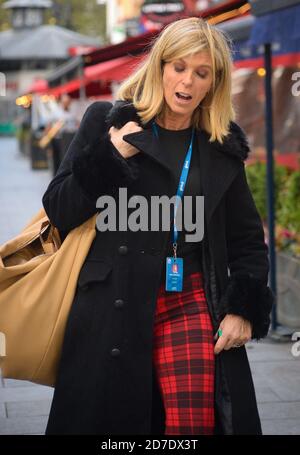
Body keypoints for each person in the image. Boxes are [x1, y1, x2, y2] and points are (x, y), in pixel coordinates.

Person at [42, 17, 274, 435]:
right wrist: (110, 156)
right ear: (160, 66)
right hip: (110, 304)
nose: (187, 81)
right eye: (179, 67)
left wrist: (244, 310)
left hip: (189, 302)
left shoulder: (221, 148)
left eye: (201, 73)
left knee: (194, 425)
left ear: (213, 83)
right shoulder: (107, 121)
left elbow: (246, 241)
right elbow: (59, 209)